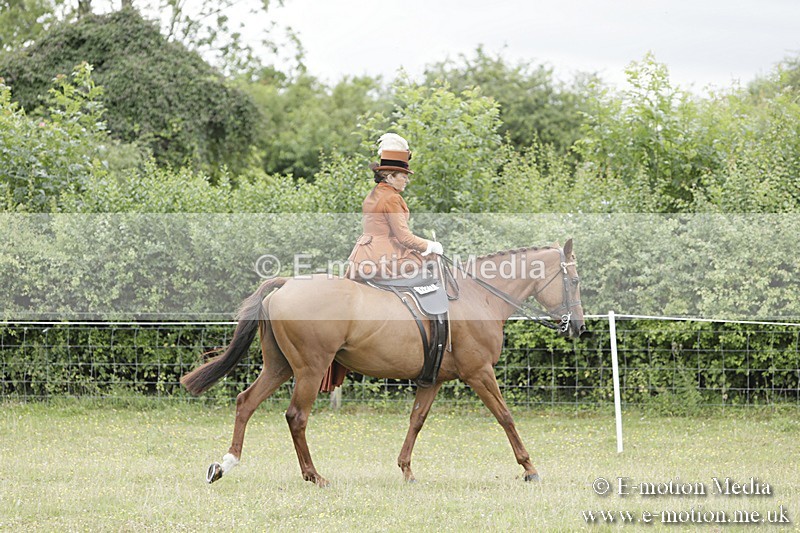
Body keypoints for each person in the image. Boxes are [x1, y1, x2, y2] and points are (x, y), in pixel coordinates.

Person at [347, 133, 443, 280]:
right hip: (380, 260)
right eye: (403, 176)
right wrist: (430, 246)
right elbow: (404, 238)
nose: (407, 180)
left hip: (360, 258)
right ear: (390, 177)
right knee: (432, 258)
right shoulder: (392, 198)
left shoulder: (374, 193)